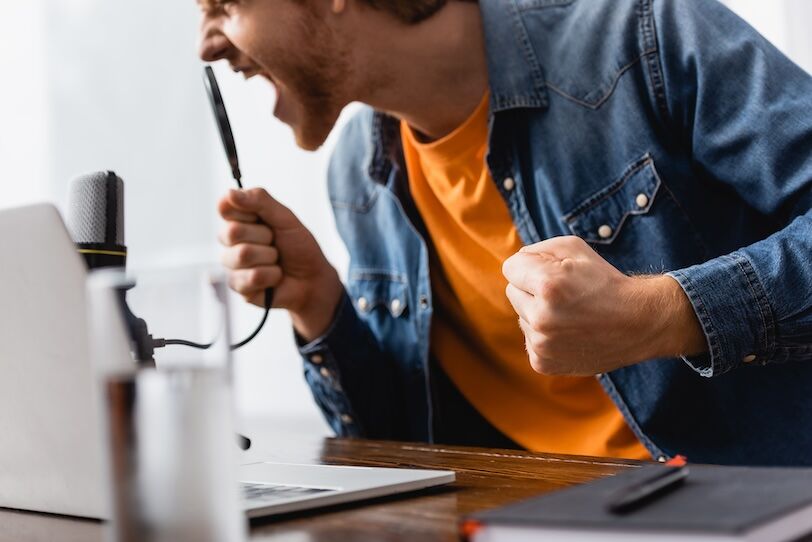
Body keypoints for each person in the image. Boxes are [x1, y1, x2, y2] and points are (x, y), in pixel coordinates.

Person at [198, 0, 812, 465]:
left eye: (222, 4)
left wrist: (660, 313)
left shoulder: (645, 35)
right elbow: (403, 453)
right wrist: (318, 305)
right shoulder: (359, 175)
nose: (205, 43)